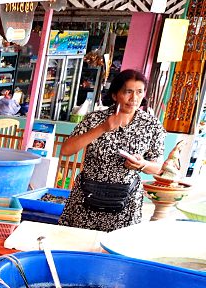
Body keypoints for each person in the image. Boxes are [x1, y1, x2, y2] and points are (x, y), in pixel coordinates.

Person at [59, 69, 166, 231]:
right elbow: (66, 150)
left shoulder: (152, 125)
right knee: (77, 245)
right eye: (128, 92)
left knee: (115, 248)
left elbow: (158, 168)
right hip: (87, 197)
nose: (134, 98)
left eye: (139, 92)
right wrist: (103, 128)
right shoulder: (95, 119)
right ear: (115, 95)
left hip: (125, 202)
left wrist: (141, 164)